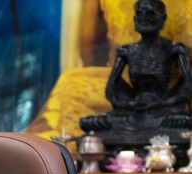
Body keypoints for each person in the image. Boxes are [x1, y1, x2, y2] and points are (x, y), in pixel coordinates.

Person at [79, 0, 192, 133]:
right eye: (140, 13)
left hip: (163, 112)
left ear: (163, 19)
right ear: (134, 19)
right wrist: (129, 104)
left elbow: (187, 86)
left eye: (150, 14)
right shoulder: (126, 51)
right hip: (133, 114)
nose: (144, 18)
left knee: (186, 121)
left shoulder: (173, 48)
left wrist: (162, 104)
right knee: (88, 122)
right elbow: (111, 90)